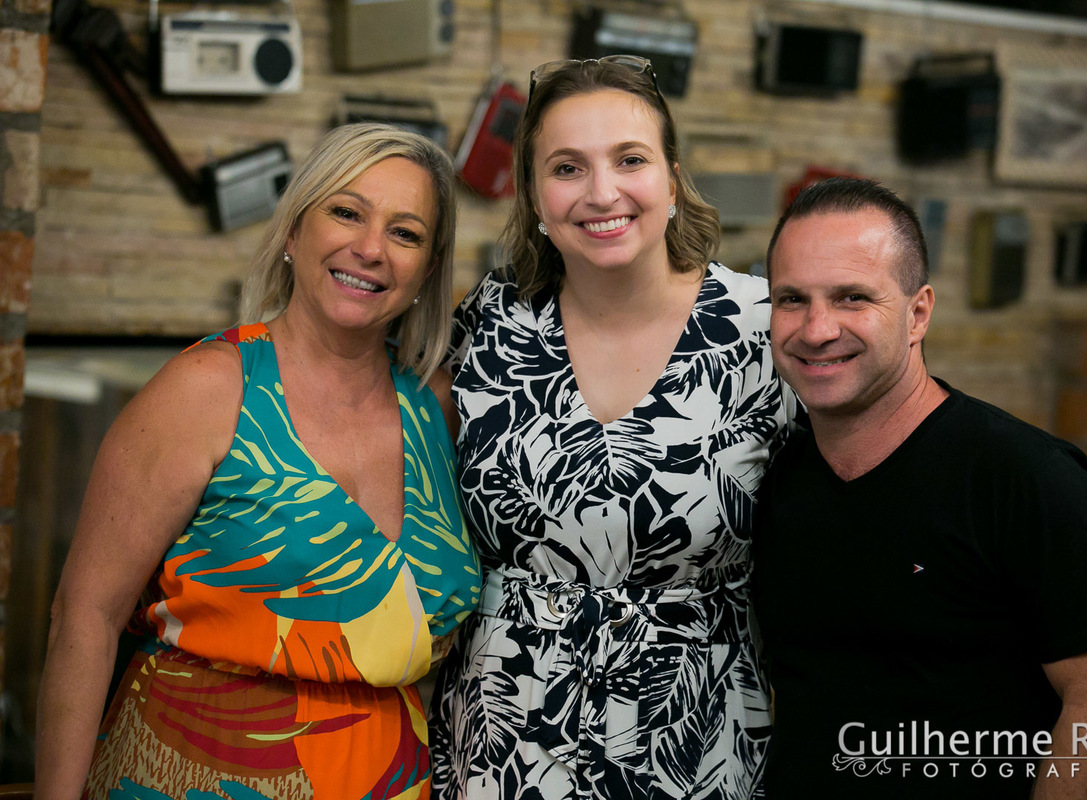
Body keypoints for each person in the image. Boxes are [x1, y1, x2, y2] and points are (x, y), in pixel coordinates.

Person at [34, 123, 480, 800]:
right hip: (192, 772)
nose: (370, 248)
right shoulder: (209, 389)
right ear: (295, 233)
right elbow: (84, 617)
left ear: (426, 270)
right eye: (346, 212)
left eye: (405, 232)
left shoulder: (440, 411)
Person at [430, 56, 795, 799]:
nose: (602, 193)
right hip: (505, 735)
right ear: (534, 194)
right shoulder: (493, 323)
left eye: (630, 160)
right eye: (567, 168)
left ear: (671, 178)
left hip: (694, 733)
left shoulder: (765, 327)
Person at [752, 177, 1087, 799]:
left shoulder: (1027, 479)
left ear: (918, 313)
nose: (817, 328)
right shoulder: (776, 477)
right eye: (791, 299)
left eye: (853, 297)